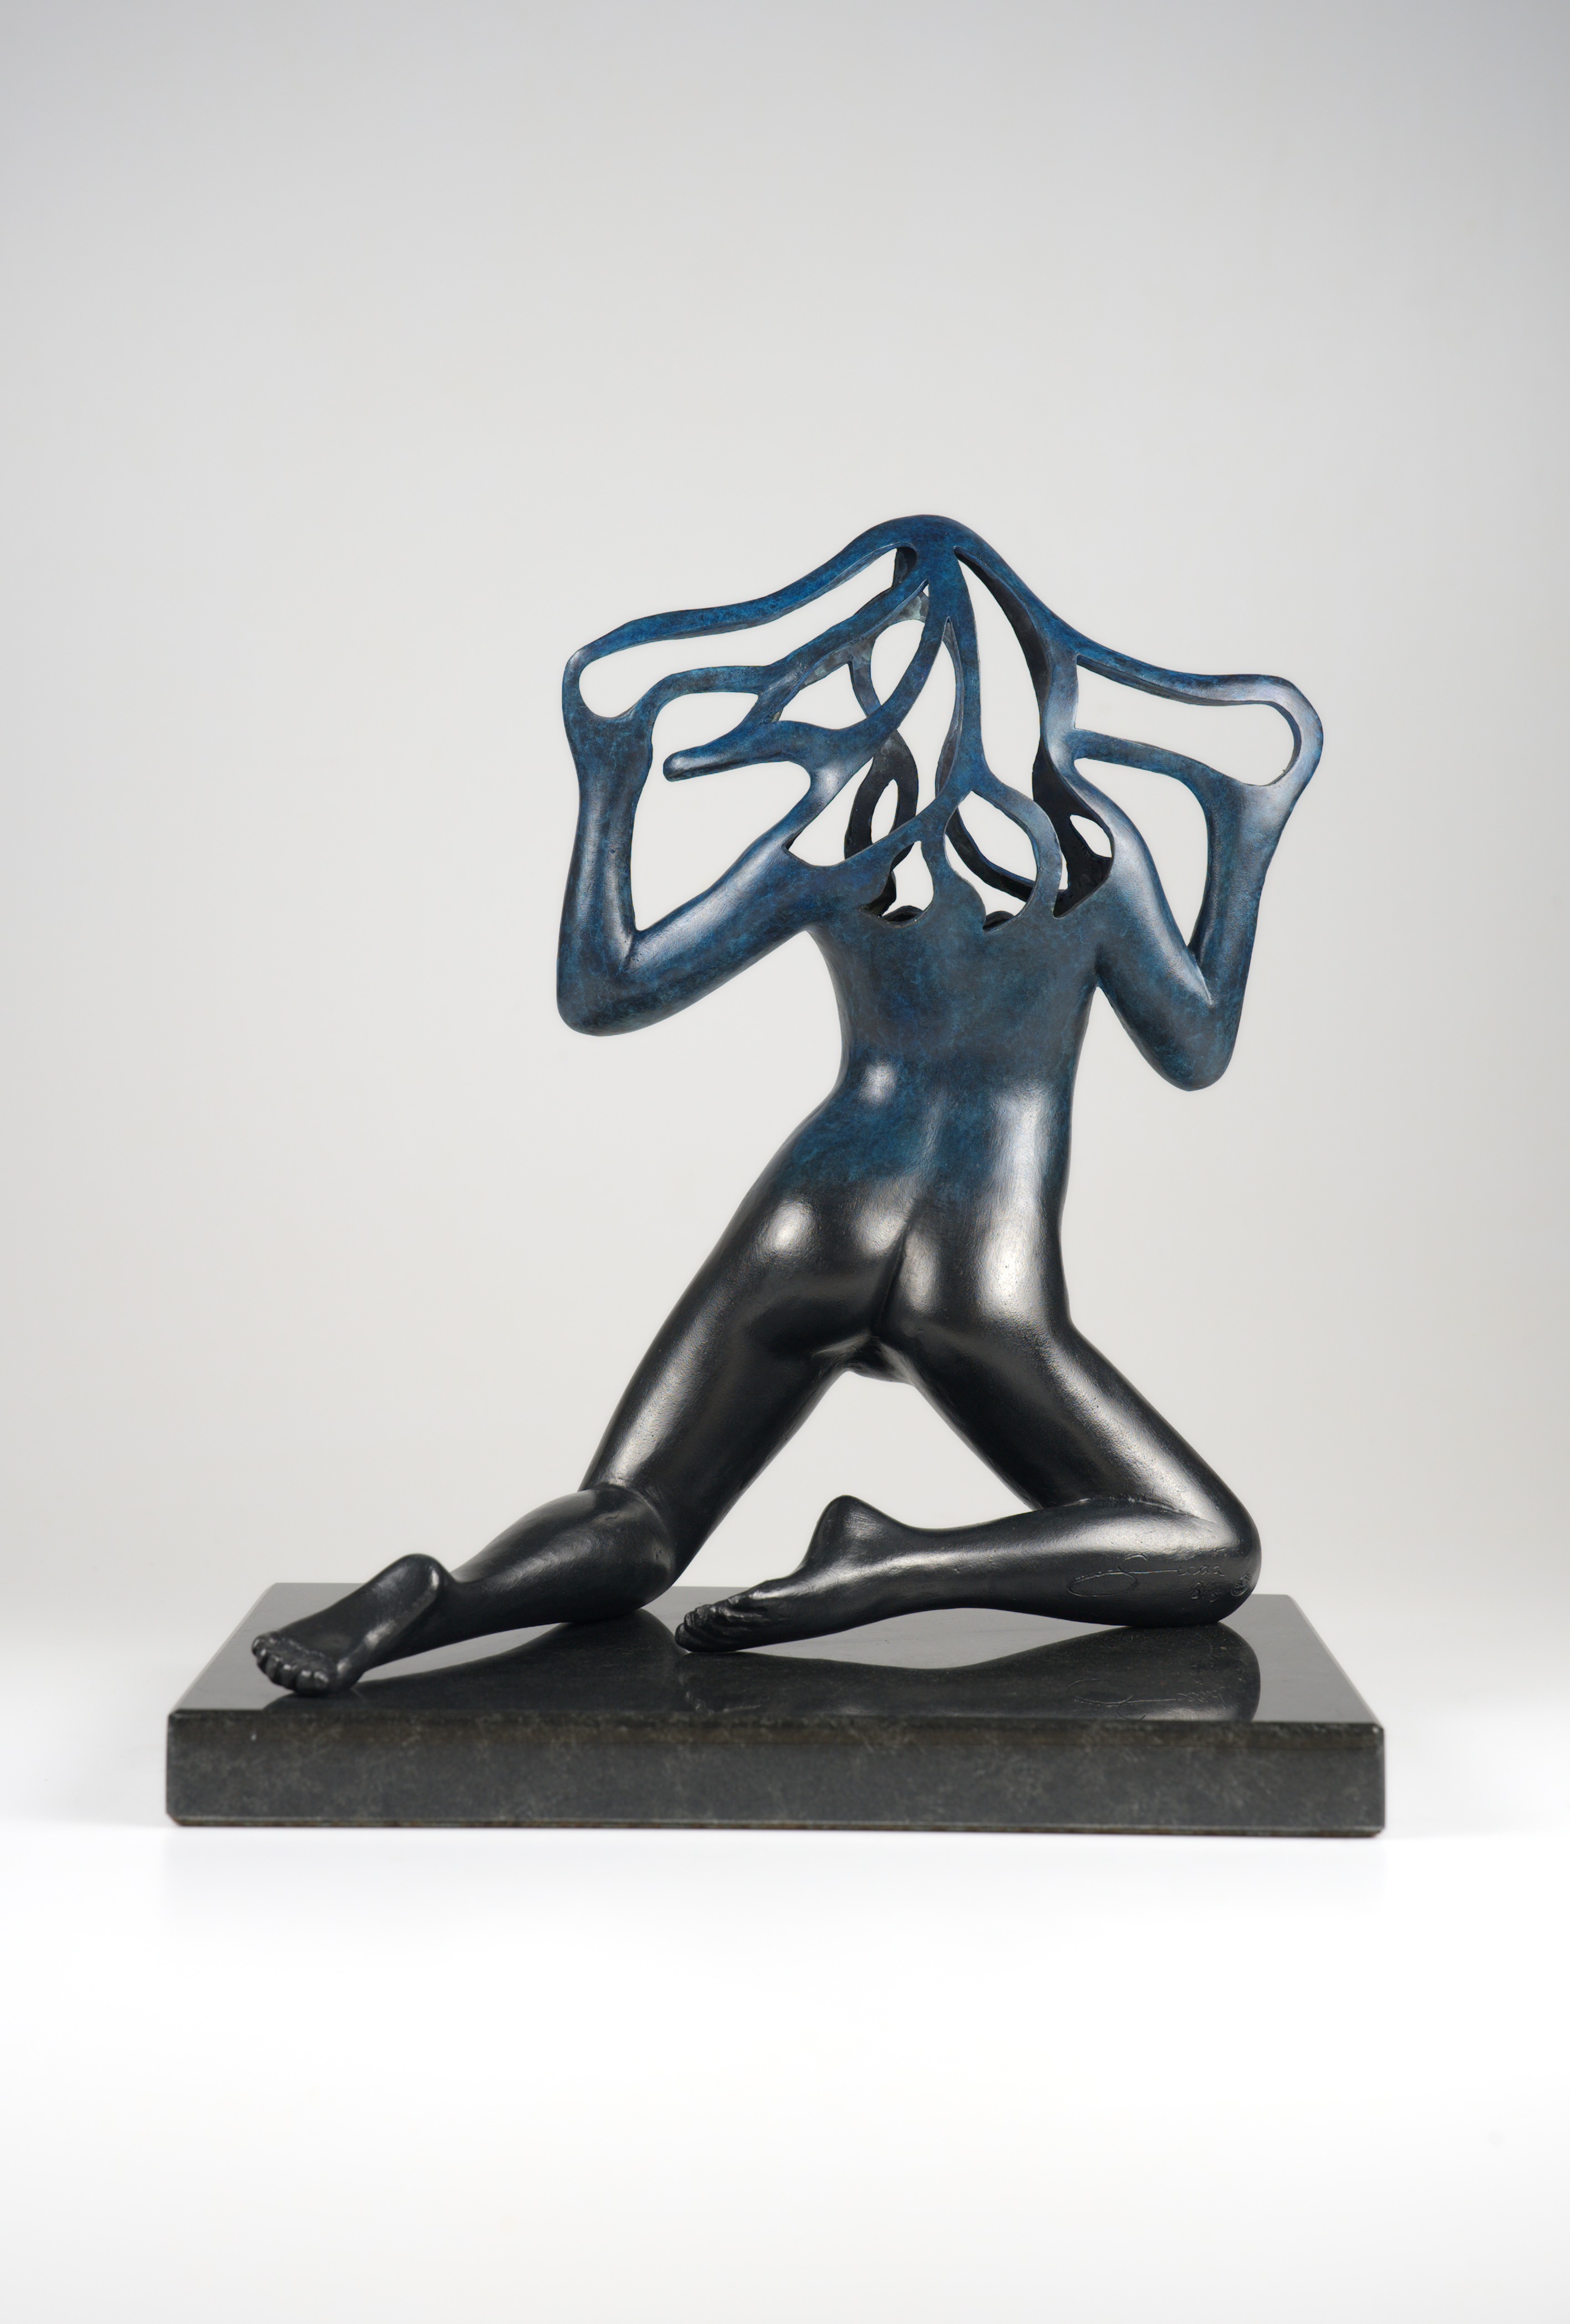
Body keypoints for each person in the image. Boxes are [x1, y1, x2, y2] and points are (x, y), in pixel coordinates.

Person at [253, 517, 1319, 1694]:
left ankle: (444, 1596)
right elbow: (1196, 1049)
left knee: (637, 1518)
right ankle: (900, 1563)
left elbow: (606, 990)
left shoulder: (842, 843)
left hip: (817, 1218)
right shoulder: (1095, 865)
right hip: (979, 1264)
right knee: (1203, 1543)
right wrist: (1244, 839)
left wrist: (609, 785)